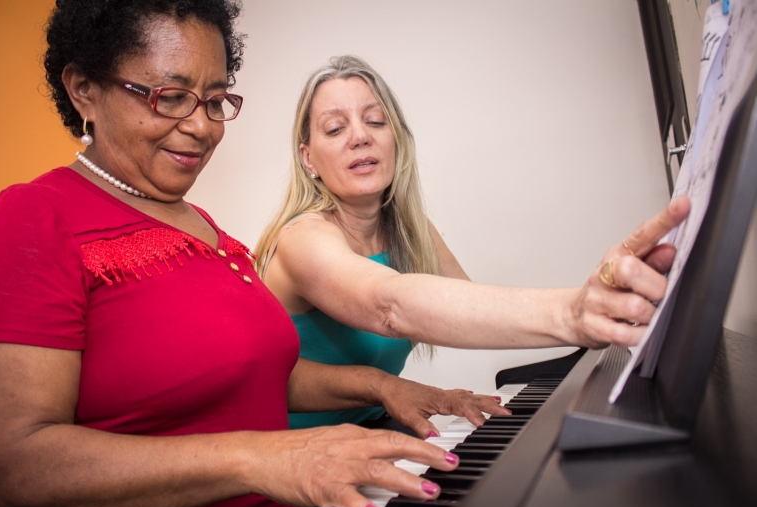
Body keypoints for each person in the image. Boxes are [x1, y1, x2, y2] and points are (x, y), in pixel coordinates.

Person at [0, 3, 507, 507]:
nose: (201, 127)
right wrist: (260, 458)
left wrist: (383, 387)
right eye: (171, 96)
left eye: (215, 100)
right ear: (85, 90)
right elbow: (14, 466)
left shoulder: (208, 231)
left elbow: (261, 374)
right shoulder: (30, 219)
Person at [255, 55, 690, 431]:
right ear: (308, 158)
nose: (360, 136)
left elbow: (467, 306)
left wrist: (608, 309)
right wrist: (574, 312)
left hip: (373, 431)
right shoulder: (302, 238)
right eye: (335, 128)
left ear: (397, 139)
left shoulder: (409, 228)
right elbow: (389, 306)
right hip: (292, 460)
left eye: (375, 120)